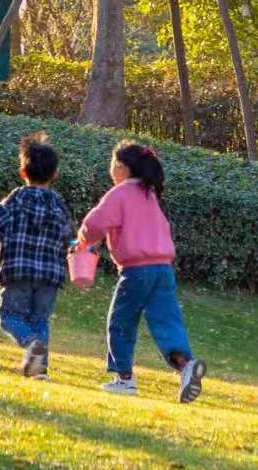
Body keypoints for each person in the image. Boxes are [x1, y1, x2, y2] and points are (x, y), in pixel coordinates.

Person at [78, 140, 205, 402]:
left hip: (137, 270)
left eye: (112, 164)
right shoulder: (150, 195)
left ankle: (124, 378)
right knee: (167, 319)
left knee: (121, 321)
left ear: (122, 167)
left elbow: (95, 223)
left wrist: (82, 241)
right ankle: (185, 365)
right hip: (163, 270)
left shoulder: (121, 193)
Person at [0, 131, 73, 379]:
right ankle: (39, 368)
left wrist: (0, 240)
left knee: (9, 316)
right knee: (40, 318)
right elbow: (68, 237)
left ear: (23, 172)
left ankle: (32, 343)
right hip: (49, 275)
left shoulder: (15, 200)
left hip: (17, 270)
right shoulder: (58, 204)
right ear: (55, 174)